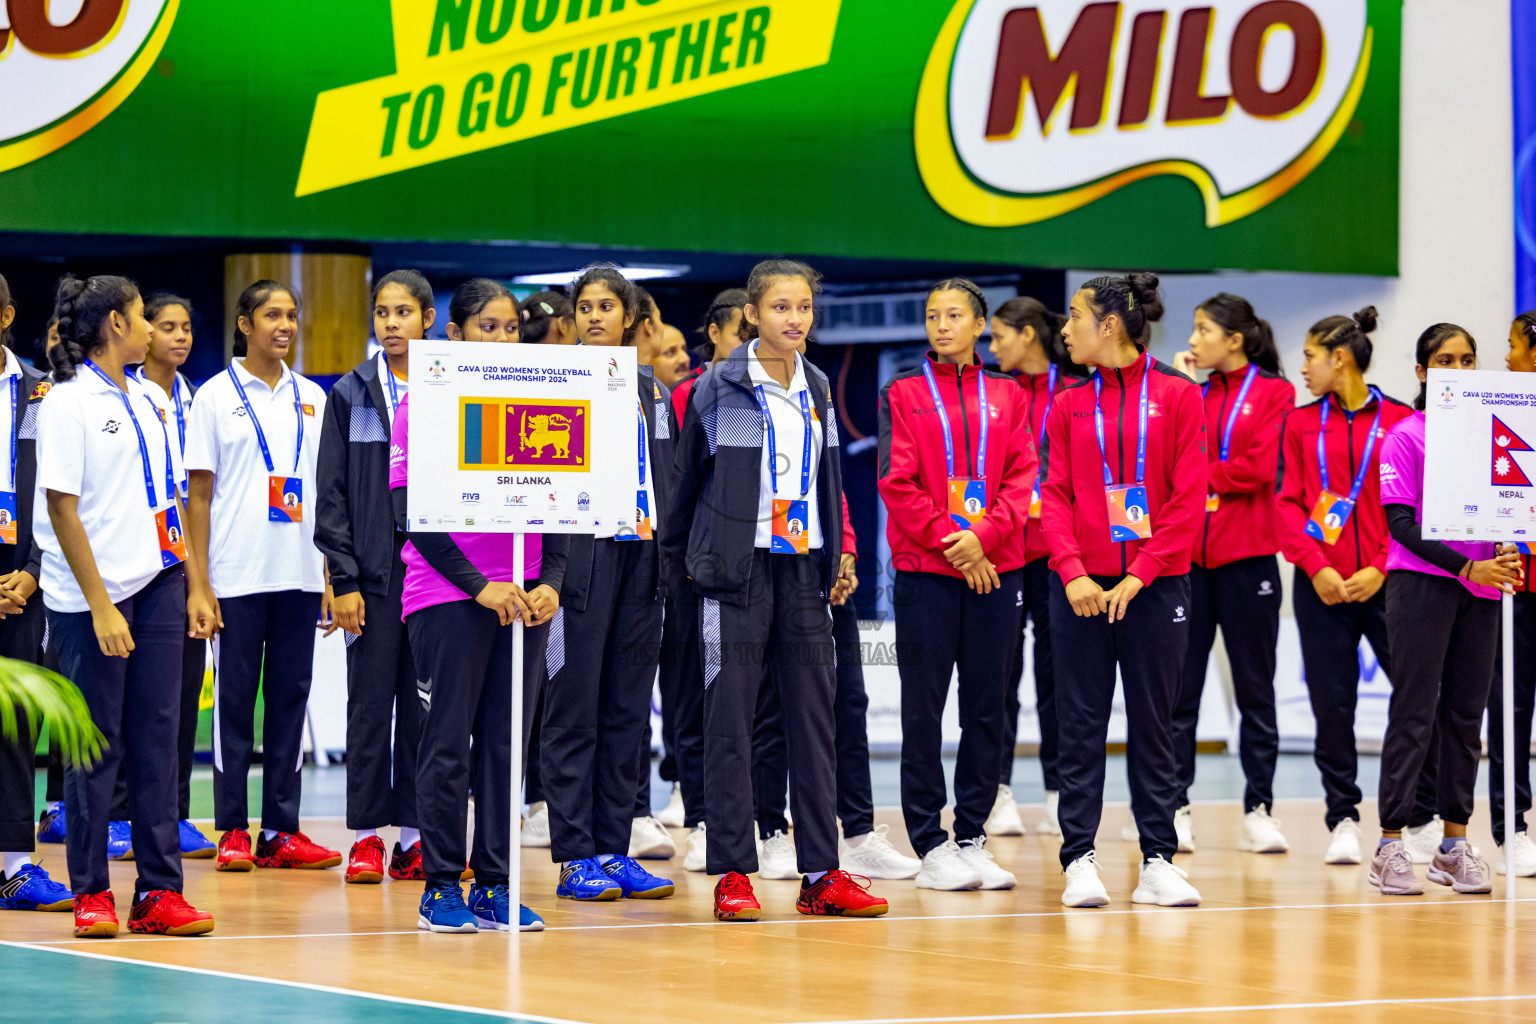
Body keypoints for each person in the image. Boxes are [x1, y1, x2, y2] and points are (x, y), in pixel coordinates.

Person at [665, 258, 888, 921]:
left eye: (805, 308)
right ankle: (734, 871)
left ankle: (822, 873)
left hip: (803, 570)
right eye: (782, 308)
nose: (796, 320)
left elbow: (829, 481)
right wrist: (684, 567)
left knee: (814, 724)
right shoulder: (718, 387)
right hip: (733, 572)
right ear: (752, 316)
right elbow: (685, 486)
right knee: (729, 724)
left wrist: (840, 547)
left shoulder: (818, 385)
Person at [36, 274, 217, 937]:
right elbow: (61, 508)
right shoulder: (67, 403)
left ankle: (158, 893)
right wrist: (101, 605)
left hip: (160, 584)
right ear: (116, 323)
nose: (151, 329)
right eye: (144, 318)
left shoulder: (151, 398)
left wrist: (193, 583)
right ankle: (92, 893)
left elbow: (168, 498)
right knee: (95, 747)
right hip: (91, 601)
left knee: (159, 743)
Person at [1041, 272, 1206, 909]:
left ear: (1108, 325)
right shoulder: (1066, 403)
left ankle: (1158, 860)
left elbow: (1188, 499)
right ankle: (1079, 860)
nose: (1065, 329)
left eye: (1075, 316)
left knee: (1154, 725)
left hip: (1156, 587)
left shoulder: (1179, 396)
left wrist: (1141, 574)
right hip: (1080, 589)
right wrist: (1074, 570)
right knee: (1078, 725)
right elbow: (1054, 495)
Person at [390, 300, 554, 934]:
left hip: (524, 603)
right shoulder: (421, 407)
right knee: (447, 745)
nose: (503, 337)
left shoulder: (537, 405)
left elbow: (559, 503)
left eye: (512, 327)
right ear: (454, 334)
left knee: (504, 750)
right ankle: (439, 887)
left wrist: (553, 584)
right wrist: (478, 585)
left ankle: (494, 885)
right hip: (447, 596)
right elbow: (411, 512)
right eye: (490, 326)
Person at [877, 279, 1036, 891]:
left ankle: (971, 835)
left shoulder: (1009, 394)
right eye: (932, 316)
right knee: (924, 710)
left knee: (988, 708)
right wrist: (958, 543)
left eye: (954, 316)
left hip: (998, 568)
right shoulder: (903, 393)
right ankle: (930, 841)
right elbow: (898, 483)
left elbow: (1023, 476)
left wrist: (986, 537)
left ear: (980, 326)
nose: (942, 326)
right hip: (929, 574)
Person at [185, 280, 338, 872]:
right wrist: (201, 583)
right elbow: (198, 496)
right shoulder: (214, 397)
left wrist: (329, 574)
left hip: (299, 573)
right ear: (244, 323)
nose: (285, 325)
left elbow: (328, 496)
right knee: (235, 706)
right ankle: (231, 829)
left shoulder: (313, 399)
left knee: (290, 703)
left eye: (293, 315)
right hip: (236, 573)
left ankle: (281, 829)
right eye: (272, 314)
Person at [537, 265, 676, 900]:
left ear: (630, 320)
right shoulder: (553, 384)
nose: (595, 317)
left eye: (606, 307)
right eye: (585, 307)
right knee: (573, 712)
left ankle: (613, 849)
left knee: (626, 714)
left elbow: (671, 479)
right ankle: (572, 857)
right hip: (577, 568)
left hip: (642, 562)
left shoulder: (654, 392)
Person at [1371, 324, 1514, 896]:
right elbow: (1399, 522)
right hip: (1421, 585)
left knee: (1463, 718)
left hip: (1480, 591)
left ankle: (1454, 845)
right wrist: (1465, 566)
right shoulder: (1406, 436)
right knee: (1414, 713)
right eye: (1445, 360)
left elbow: (1507, 509)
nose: (1458, 368)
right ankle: (1390, 845)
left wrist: (1505, 551)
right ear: (1423, 371)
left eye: (1468, 359)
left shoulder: (1494, 436)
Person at [1277, 307, 1416, 866]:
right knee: (1332, 705)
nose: (1302, 368)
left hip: (1391, 583)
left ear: (1340, 358)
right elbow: (1284, 504)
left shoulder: (1402, 420)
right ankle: (1343, 817)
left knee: (1414, 700)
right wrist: (1317, 566)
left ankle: (1418, 813)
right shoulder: (1298, 423)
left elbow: (1411, 508)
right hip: (1322, 587)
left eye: (1309, 356)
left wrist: (1381, 565)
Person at [316, 269, 435, 885]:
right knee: (369, 707)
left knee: (424, 710)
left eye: (403, 313)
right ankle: (365, 837)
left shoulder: (450, 387)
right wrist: (346, 578)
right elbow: (331, 494)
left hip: (437, 574)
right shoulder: (351, 393)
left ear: (428, 319)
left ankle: (415, 838)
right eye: (383, 313)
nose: (391, 324)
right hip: (373, 575)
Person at [1166, 294, 1296, 855]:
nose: (1193, 341)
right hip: (1189, 563)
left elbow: (1258, 467)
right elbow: (1167, 460)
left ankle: (1259, 809)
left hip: (1248, 562)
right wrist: (1181, 392)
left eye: (1202, 330)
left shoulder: (1276, 392)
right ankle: (1175, 806)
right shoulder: (1189, 393)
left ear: (1235, 340)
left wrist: (1198, 476)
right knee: (1180, 693)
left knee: (1255, 691)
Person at [98, 293, 217, 861]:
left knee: (171, 704)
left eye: (185, 327)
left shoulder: (191, 401)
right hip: (120, 575)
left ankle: (170, 815)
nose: (175, 335)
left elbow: (182, 495)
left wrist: (196, 580)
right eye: (160, 323)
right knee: (120, 708)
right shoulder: (113, 395)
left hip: (172, 566)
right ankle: (117, 816)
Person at [985, 295, 1082, 838]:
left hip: (1059, 558)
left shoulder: (1073, 392)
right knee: (1000, 679)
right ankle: (998, 792)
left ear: (1027, 335)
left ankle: (1056, 791)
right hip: (1002, 554)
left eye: (999, 336)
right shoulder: (995, 396)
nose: (993, 347)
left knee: (1058, 680)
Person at [663, 288, 750, 870]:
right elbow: (678, 482)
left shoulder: (788, 390)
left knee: (754, 707)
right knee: (695, 698)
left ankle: (761, 822)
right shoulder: (691, 395)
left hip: (760, 571)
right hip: (696, 571)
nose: (749, 343)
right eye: (740, 333)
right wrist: (684, 558)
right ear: (714, 335)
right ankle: (698, 817)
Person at [0, 273, 73, 914]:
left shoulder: (40, 393)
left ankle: (13, 868)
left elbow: (55, 491)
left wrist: (31, 568)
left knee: (17, 724)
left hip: (24, 574)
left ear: (6, 316)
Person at [1488, 311, 1536, 876]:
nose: (1507, 357)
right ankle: (1512, 829)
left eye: (1513, 347)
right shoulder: (1498, 415)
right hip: (1515, 588)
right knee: (1511, 713)